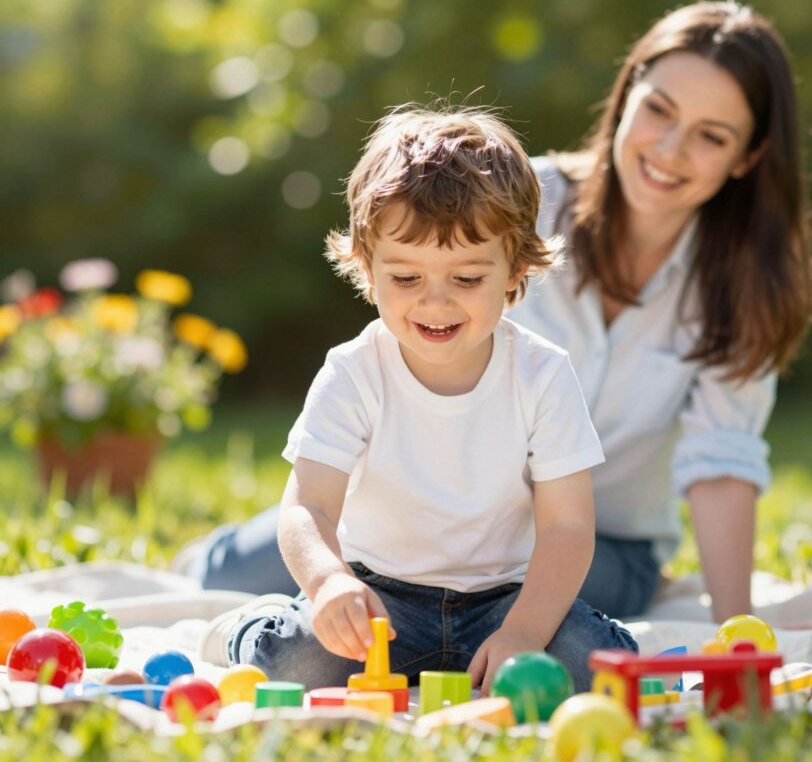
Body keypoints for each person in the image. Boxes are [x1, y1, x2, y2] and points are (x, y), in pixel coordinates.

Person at [183, 0, 812, 624]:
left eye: (712, 136)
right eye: (658, 109)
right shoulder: (508, 206)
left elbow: (722, 461)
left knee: (555, 598)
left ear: (748, 156)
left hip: (593, 542)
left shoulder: (740, 285)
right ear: (626, 97)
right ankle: (208, 561)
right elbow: (400, 312)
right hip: (411, 521)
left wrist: (736, 626)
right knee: (238, 574)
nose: (671, 148)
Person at [198, 107, 637, 692]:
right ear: (367, 269)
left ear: (515, 270)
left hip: (506, 601)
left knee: (589, 664)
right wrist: (330, 585)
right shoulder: (353, 372)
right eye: (406, 279)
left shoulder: (543, 374)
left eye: (466, 279)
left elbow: (567, 526)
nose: (436, 303)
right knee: (297, 664)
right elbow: (308, 509)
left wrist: (526, 633)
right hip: (382, 600)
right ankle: (250, 627)